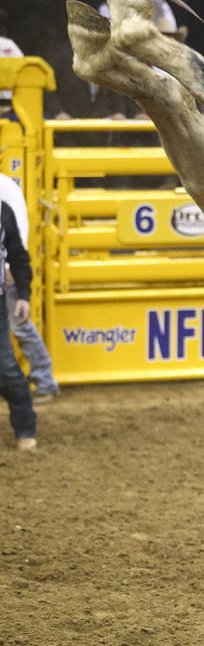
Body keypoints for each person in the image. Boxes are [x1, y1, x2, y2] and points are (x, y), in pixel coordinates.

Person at [0, 174, 59, 403]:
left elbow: (16, 230)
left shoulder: (5, 188)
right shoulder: (7, 186)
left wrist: (9, 266)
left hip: (6, 270)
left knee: (20, 325)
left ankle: (46, 380)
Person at [0, 194, 36, 450]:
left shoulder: (3, 211)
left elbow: (17, 256)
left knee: (6, 367)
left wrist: (23, 294)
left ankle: (25, 429)